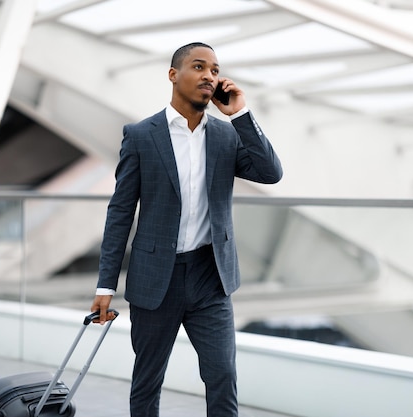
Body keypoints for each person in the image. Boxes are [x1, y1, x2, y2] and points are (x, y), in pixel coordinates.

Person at [91, 42, 283, 417]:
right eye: (199, 67)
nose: (209, 76)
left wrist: (240, 114)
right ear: (173, 75)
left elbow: (270, 173)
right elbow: (120, 212)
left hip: (210, 277)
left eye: (215, 70)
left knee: (223, 375)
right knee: (148, 380)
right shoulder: (142, 135)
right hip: (155, 278)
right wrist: (105, 284)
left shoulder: (227, 136)